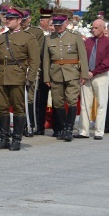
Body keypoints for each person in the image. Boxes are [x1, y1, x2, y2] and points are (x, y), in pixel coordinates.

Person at [0, 7, 40, 151]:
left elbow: (34, 60)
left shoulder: (28, 37)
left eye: (11, 18)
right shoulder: (1, 37)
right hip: (1, 75)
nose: (8, 20)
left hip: (18, 76)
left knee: (18, 108)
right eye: (7, 18)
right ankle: (4, 138)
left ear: (19, 20)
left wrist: (30, 79)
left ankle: (17, 139)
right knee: (2, 108)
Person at [43, 8, 89, 142]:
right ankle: (62, 127)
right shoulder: (48, 38)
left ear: (66, 22)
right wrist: (46, 77)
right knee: (58, 102)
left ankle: (69, 128)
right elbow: (46, 59)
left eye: (60, 24)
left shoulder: (75, 36)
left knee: (72, 100)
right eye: (55, 24)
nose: (57, 27)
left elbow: (83, 56)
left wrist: (84, 74)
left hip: (72, 73)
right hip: (55, 73)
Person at [75, 19, 109, 140]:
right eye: (93, 28)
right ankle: (83, 130)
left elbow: (108, 62)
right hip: (87, 75)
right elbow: (81, 57)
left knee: (101, 103)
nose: (94, 30)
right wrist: (84, 72)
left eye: (97, 28)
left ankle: (99, 131)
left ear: (103, 29)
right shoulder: (88, 41)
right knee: (85, 104)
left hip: (100, 76)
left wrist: (94, 72)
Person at [21, 8, 45, 137]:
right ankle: (22, 124)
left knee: (30, 97)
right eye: (21, 20)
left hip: (30, 67)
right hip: (17, 68)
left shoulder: (36, 32)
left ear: (29, 19)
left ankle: (31, 125)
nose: (23, 22)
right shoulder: (15, 31)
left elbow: (38, 51)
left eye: (25, 19)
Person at [34, 8, 54, 135]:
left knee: (58, 102)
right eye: (42, 20)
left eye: (47, 20)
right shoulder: (37, 33)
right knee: (40, 101)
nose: (44, 22)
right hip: (42, 72)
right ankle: (39, 126)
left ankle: (58, 126)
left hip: (57, 71)